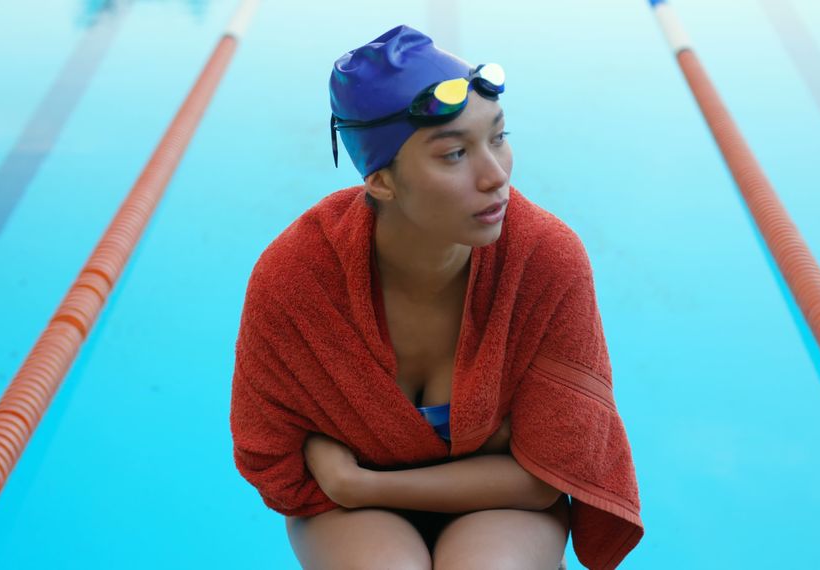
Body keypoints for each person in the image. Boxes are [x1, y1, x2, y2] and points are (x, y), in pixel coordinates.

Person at [230, 24, 642, 570]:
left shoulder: (544, 258)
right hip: (342, 511)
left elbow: (546, 476)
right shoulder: (298, 277)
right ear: (381, 182)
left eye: (498, 136)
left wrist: (360, 482)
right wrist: (491, 454)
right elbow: (272, 457)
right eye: (454, 155)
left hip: (480, 507)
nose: (496, 177)